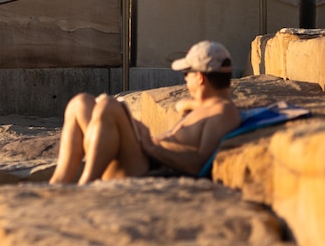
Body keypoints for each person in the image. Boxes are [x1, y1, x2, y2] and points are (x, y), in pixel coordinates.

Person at [49, 40, 241, 184]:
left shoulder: (223, 113)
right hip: (144, 158)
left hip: (150, 167)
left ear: (199, 78)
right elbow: (182, 106)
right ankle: (58, 183)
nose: (184, 80)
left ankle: (86, 184)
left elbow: (200, 164)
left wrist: (151, 147)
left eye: (186, 74)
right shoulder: (207, 107)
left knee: (109, 105)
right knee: (80, 102)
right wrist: (190, 105)